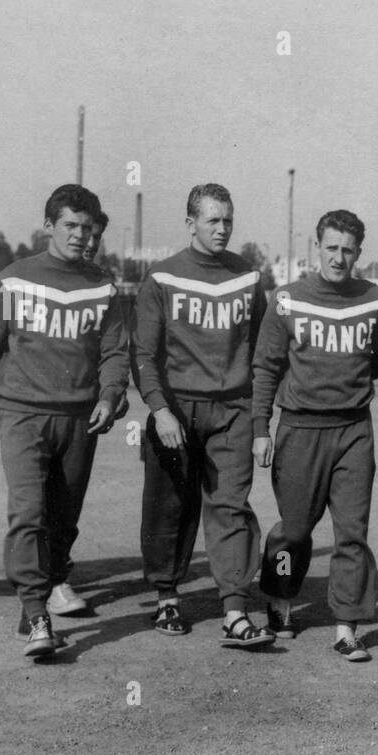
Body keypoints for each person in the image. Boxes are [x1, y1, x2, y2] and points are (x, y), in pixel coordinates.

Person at [0, 184, 130, 658]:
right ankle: (37, 613)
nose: (80, 236)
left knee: (63, 516)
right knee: (28, 512)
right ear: (49, 226)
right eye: (70, 226)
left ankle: (47, 585)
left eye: (87, 228)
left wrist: (111, 393)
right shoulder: (10, 280)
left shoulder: (103, 285)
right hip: (22, 415)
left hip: (79, 419)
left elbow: (116, 351)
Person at [252, 209, 378, 662]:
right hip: (300, 428)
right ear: (317, 247)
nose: (339, 257)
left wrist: (348, 379)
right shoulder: (286, 299)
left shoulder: (375, 300)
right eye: (332, 248)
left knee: (352, 532)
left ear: (359, 252)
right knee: (294, 531)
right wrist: (261, 429)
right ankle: (280, 603)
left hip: (353, 430)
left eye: (348, 250)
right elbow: (266, 367)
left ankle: (347, 626)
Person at [133, 184, 273, 646]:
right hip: (175, 411)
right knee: (169, 506)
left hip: (231, 410)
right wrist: (159, 410)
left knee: (231, 506)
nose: (222, 229)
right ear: (190, 222)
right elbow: (143, 354)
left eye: (228, 220)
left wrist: (258, 424)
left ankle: (234, 608)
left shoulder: (248, 279)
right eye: (212, 220)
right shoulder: (161, 278)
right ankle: (167, 597)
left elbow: (259, 356)